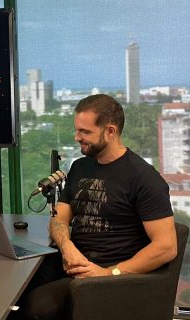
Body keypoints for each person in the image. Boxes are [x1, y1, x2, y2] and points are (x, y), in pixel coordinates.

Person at [11, 94, 177, 320]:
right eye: (77, 130)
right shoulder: (80, 167)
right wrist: (67, 248)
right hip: (73, 260)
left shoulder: (144, 178)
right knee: (11, 286)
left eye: (85, 132)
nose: (76, 137)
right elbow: (59, 218)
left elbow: (166, 247)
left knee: (34, 308)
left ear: (110, 131)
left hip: (108, 274)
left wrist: (109, 273)